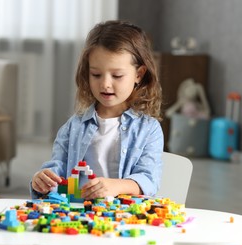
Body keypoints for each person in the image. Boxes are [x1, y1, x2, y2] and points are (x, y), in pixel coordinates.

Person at [30, 20, 164, 203]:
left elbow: (148, 180)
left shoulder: (149, 129)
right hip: (79, 216)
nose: (105, 84)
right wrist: (43, 179)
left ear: (138, 75)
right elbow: (58, 169)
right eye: (96, 74)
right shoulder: (74, 126)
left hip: (124, 219)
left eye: (117, 75)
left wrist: (116, 186)